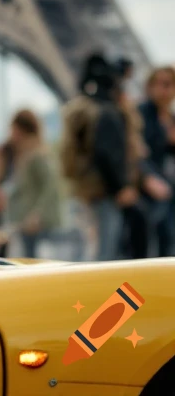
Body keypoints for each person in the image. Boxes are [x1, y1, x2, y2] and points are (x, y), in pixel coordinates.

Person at [60, 54, 139, 261]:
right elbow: (106, 153)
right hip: (104, 191)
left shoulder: (83, 108)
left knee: (94, 248)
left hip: (87, 188)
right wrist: (120, 187)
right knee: (105, 252)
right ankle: (97, 294)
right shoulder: (105, 111)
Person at [0, 110, 63, 258]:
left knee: (32, 264)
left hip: (33, 223)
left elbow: (50, 186)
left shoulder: (37, 154)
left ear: (21, 129)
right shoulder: (22, 152)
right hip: (22, 223)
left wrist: (37, 215)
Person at [138, 66, 175, 256]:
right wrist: (146, 178)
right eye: (161, 84)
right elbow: (134, 152)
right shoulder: (140, 115)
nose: (166, 90)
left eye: (170, 85)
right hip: (146, 192)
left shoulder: (170, 119)